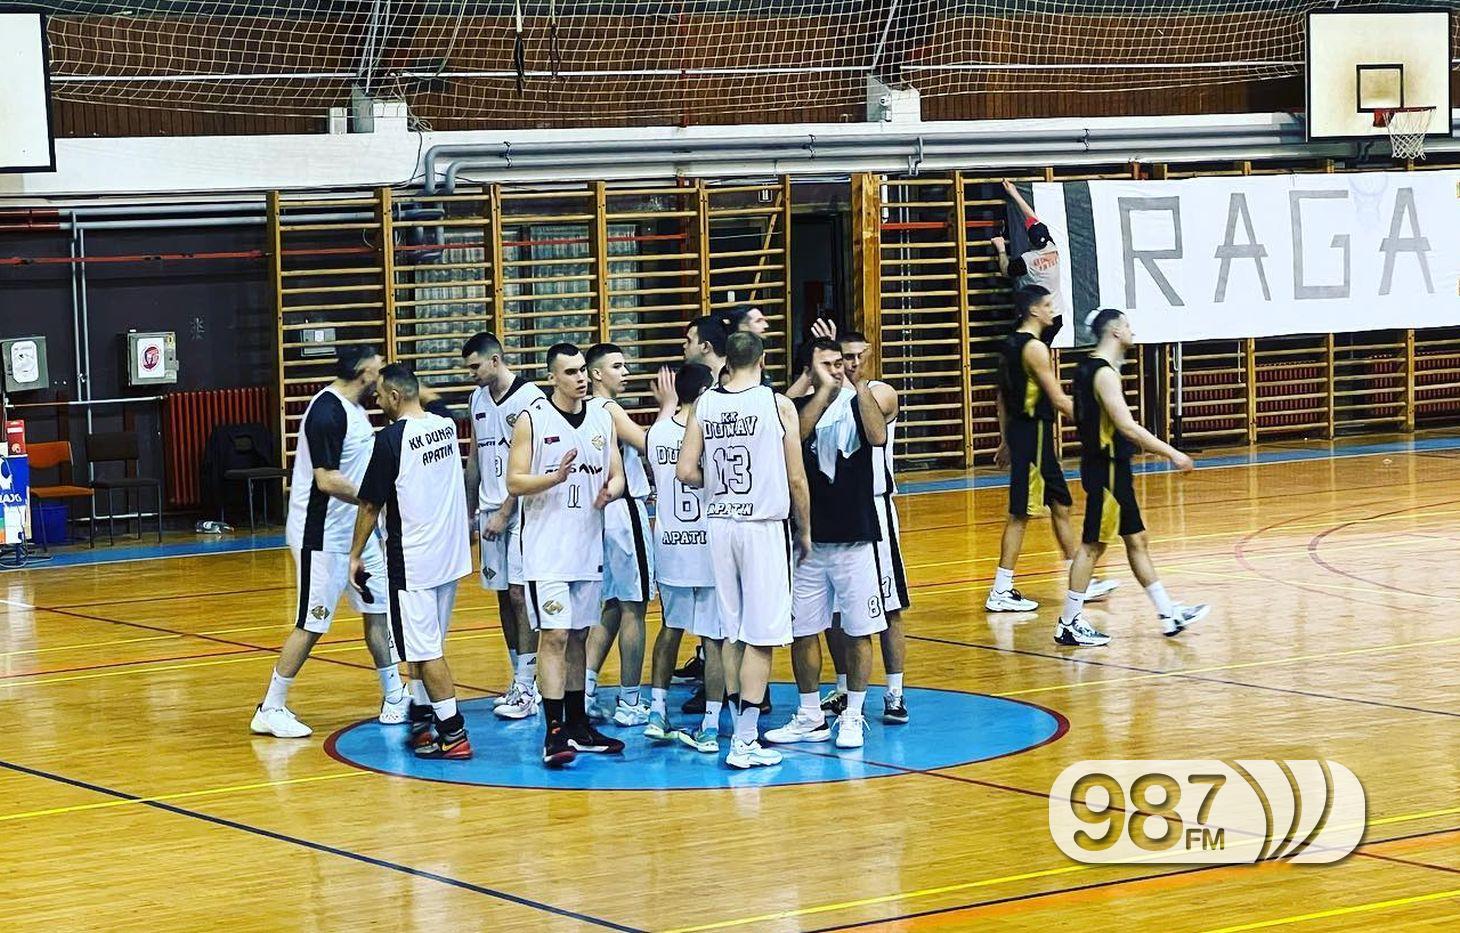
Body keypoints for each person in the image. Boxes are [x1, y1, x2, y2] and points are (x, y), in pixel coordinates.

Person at [250, 345, 403, 739]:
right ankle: (271, 707)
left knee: (378, 611)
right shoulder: (326, 412)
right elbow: (327, 479)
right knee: (312, 623)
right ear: (363, 374)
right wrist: (374, 496)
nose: (382, 376)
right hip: (319, 536)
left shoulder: (355, 409)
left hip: (358, 532)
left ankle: (394, 695)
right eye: (378, 370)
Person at [678, 331, 811, 769]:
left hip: (720, 524)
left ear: (727, 362)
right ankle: (745, 740)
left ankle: (739, 732)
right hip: (761, 526)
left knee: (733, 632)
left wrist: (717, 485)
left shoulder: (705, 404)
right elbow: (796, 479)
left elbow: (685, 471)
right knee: (763, 634)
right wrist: (804, 530)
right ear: (763, 359)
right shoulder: (777, 404)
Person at [1055, 309, 1210, 647]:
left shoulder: (1085, 368)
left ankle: (1168, 613)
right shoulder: (1103, 373)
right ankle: (1068, 623)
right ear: (1114, 332)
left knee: (1137, 540)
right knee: (1092, 546)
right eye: (1127, 325)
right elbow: (1127, 427)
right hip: (1107, 469)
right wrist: (1172, 453)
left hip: (1108, 468)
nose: (1132, 331)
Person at [507, 343, 627, 767]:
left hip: (586, 546)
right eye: (571, 372)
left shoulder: (601, 417)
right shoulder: (533, 419)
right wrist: (554, 477)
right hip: (546, 551)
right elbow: (514, 482)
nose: (580, 378)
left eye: (582, 370)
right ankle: (553, 731)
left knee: (578, 636)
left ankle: (578, 725)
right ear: (552, 378)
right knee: (555, 635)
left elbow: (617, 474)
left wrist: (611, 491)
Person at [764, 338, 886, 749]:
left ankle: (853, 714)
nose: (838, 369)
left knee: (859, 629)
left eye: (841, 362)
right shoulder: (793, 407)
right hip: (809, 542)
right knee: (803, 630)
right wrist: (824, 392)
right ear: (809, 369)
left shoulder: (860, 401)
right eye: (828, 364)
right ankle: (810, 715)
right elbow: (797, 437)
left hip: (855, 536)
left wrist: (860, 383)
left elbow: (877, 436)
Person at [349, 364, 473, 759]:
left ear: (395, 396)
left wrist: (355, 555)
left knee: (425, 651)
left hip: (414, 562)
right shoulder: (445, 426)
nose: (376, 401)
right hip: (450, 557)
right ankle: (422, 721)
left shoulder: (390, 440)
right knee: (425, 644)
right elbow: (434, 404)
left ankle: (453, 733)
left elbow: (370, 505)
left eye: (380, 394)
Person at [987, 286, 1117, 613]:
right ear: (1033, 310)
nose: (1051, 311)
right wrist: (1101, 420)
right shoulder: (1034, 348)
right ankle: (1001, 589)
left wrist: (1005, 440)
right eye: (1047, 305)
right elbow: (1058, 399)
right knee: (1021, 513)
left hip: (1026, 436)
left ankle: (1080, 580)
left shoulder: (1009, 345)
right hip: (1033, 435)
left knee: (1061, 504)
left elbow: (1002, 398)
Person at [582, 342, 674, 725]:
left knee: (611, 605)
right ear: (596, 373)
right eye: (617, 366)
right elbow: (649, 444)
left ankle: (585, 691)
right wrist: (668, 406)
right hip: (624, 512)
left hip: (599, 516)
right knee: (634, 607)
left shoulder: (584, 409)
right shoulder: (608, 408)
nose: (626, 372)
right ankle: (630, 700)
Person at [462, 332, 544, 720]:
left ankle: (528, 685)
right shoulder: (476, 399)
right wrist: (469, 514)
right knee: (501, 596)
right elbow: (474, 460)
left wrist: (505, 510)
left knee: (519, 594)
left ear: (495, 360)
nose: (472, 374)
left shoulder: (531, 399)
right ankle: (519, 679)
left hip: (522, 510)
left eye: (475, 366)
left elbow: (534, 463)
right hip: (489, 510)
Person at [643, 363, 724, 752]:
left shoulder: (657, 432)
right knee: (713, 639)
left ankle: (657, 711)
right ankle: (711, 723)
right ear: (706, 390)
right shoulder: (712, 433)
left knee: (670, 628)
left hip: (671, 545)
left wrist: (665, 405)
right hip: (708, 546)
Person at [992, 179, 1069, 334]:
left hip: (1038, 317)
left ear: (1029, 240)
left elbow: (1006, 271)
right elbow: (1032, 217)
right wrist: (1014, 193)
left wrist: (1001, 249)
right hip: (1056, 314)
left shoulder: (1027, 261)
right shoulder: (1051, 246)